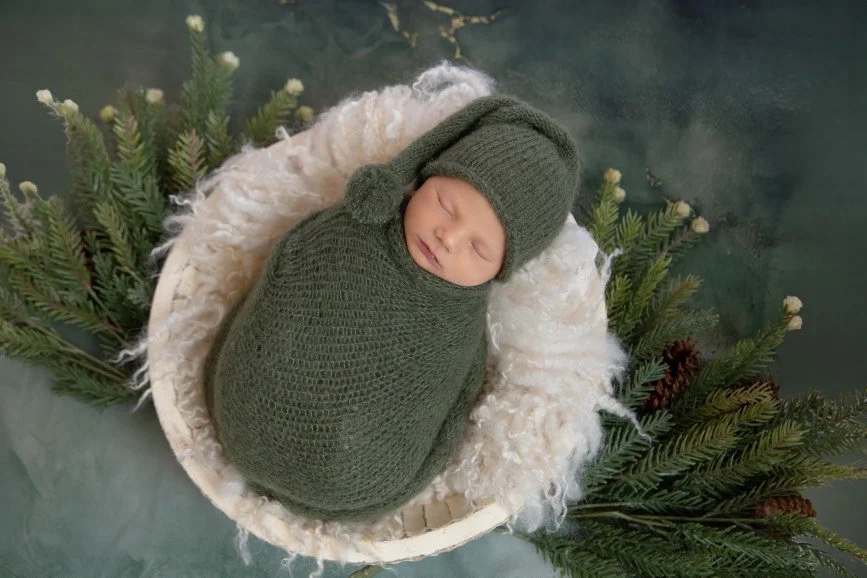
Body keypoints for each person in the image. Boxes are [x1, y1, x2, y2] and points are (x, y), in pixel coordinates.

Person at [204, 94, 580, 522]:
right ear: (419, 181)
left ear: (501, 269)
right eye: (445, 205)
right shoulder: (351, 229)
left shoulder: (458, 325)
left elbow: (448, 396)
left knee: (365, 437)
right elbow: (283, 287)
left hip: (348, 467)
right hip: (248, 411)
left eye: (478, 248)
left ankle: (339, 465)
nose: (448, 238)